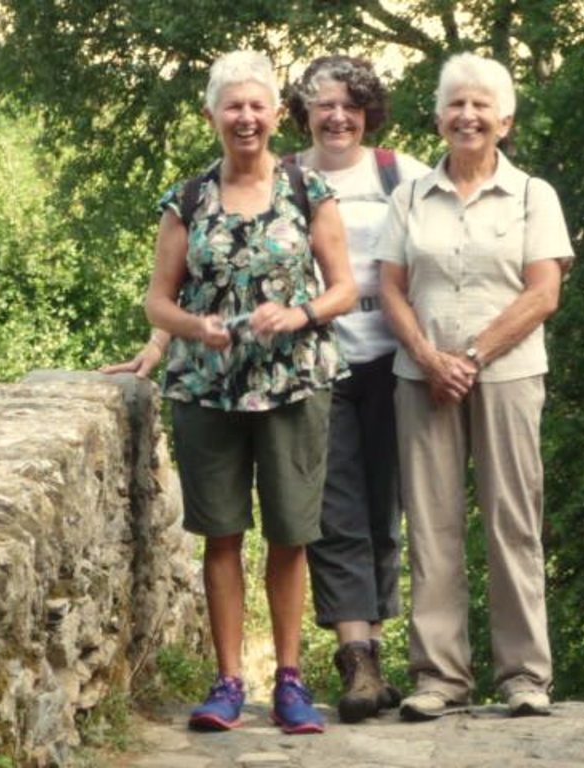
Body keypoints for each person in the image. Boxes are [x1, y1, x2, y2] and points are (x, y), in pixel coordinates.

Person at [141, 50, 356, 734]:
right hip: (207, 389)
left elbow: (346, 287)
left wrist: (301, 314)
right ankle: (228, 680)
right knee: (222, 534)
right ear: (211, 116)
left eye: (257, 105)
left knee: (291, 535)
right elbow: (158, 303)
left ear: (274, 115)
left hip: (294, 383)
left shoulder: (308, 193)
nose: (246, 118)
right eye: (232, 106)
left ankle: (290, 682)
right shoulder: (187, 199)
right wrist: (195, 328)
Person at [378, 52, 574, 721]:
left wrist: (470, 355)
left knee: (513, 522)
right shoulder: (408, 196)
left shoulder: (532, 195)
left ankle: (524, 678)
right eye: (456, 105)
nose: (468, 116)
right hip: (421, 379)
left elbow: (544, 291)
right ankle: (439, 678)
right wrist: (432, 360)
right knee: (431, 527)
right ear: (438, 118)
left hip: (510, 376)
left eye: (480, 105)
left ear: (505, 119)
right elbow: (390, 289)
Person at [284, 55, 429, 724]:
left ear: (369, 111)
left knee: (388, 507)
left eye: (350, 103)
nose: (338, 116)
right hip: (318, 365)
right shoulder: (283, 179)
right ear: (305, 114)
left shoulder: (404, 175)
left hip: (400, 363)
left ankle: (385, 649)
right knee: (333, 508)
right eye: (324, 105)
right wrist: (161, 341)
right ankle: (358, 663)